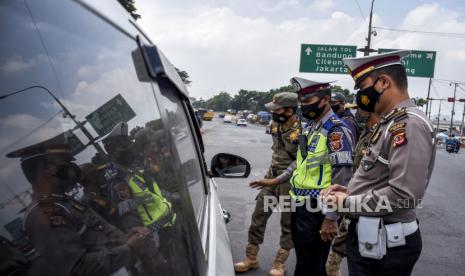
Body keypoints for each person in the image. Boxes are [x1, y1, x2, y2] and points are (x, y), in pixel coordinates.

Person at [321, 50, 436, 276]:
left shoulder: (407, 125)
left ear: (384, 82)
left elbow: (404, 195)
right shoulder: (390, 123)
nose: (360, 95)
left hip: (386, 246)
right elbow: (381, 176)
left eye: (363, 87)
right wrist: (349, 190)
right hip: (374, 241)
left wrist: (347, 203)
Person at [250, 78, 355, 276]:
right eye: (301, 102)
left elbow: (342, 177)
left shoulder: (336, 130)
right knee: (305, 262)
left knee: (311, 266)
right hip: (300, 205)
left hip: (318, 208)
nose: (304, 106)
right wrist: (276, 180)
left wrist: (331, 218)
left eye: (308, 101)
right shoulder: (309, 128)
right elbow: (300, 162)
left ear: (324, 100)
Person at [6, 137, 148, 276]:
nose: (73, 167)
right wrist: (129, 248)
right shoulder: (44, 214)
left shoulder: (63, 202)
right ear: (47, 169)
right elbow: (77, 268)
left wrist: (127, 238)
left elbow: (96, 239)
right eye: (66, 161)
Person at [234, 92, 300, 276]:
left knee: (287, 224)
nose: (273, 113)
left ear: (289, 110)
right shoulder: (274, 124)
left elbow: (301, 160)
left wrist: (279, 178)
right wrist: (270, 177)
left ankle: (280, 263)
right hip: (270, 178)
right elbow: (276, 153)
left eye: (277, 109)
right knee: (258, 218)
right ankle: (251, 258)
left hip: (289, 183)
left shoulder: (303, 130)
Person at [325, 109, 380, 276]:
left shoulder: (381, 135)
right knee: (340, 244)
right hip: (354, 195)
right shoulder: (366, 132)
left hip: (369, 204)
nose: (357, 112)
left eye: (361, 109)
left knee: (361, 254)